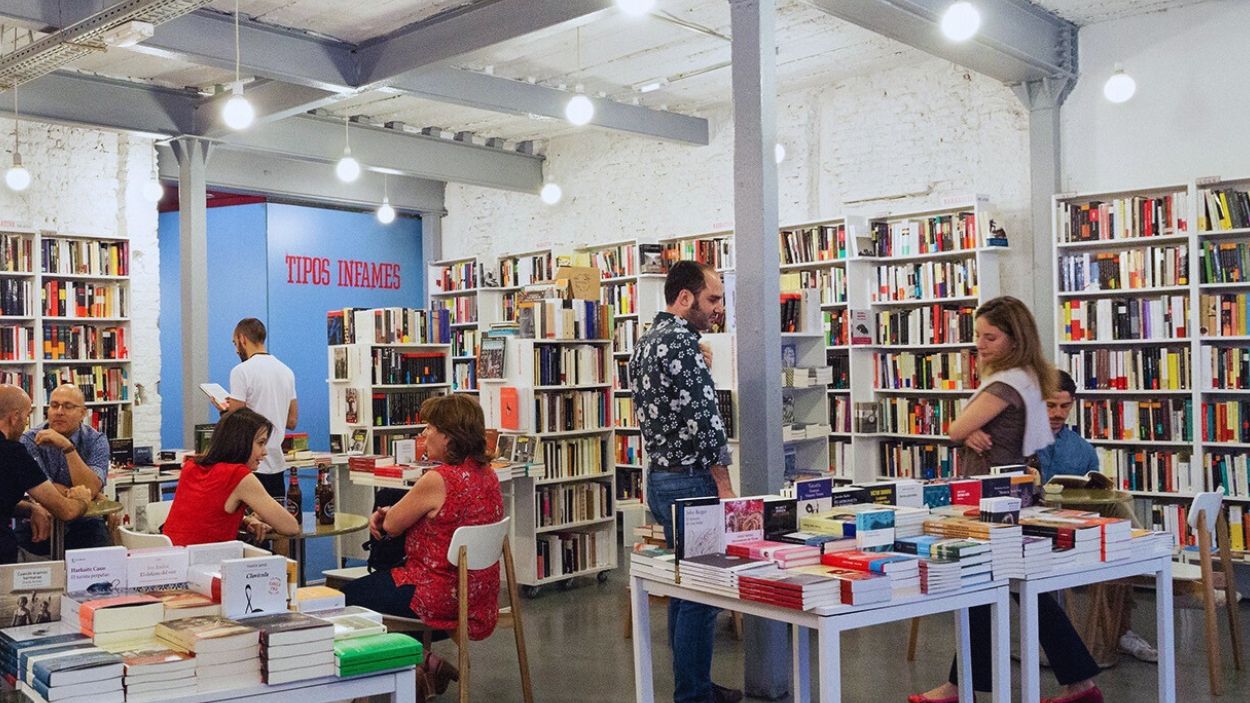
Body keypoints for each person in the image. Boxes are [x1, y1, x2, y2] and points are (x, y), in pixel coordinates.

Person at [911, 297, 1102, 703]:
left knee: (988, 587)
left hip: (991, 499)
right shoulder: (1030, 377)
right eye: (978, 335)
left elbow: (953, 429)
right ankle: (1073, 682)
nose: (979, 344)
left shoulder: (1005, 383)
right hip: (1008, 495)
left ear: (1015, 339)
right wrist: (971, 433)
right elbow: (991, 432)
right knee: (1001, 589)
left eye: (990, 337)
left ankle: (1073, 682)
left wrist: (965, 431)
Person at [628, 260, 740, 703]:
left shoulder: (646, 342)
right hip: (692, 482)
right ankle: (693, 693)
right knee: (700, 591)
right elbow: (705, 421)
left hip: (660, 477)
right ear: (685, 297)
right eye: (712, 299)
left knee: (683, 585)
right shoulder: (681, 344)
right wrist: (725, 485)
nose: (718, 309)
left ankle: (695, 683)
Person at [341, 394, 503, 700]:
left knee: (344, 599)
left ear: (449, 436)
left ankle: (410, 666)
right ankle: (424, 664)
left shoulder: (439, 479)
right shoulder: (488, 475)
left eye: (429, 427)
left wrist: (385, 514)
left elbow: (391, 526)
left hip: (436, 596)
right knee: (384, 589)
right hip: (477, 597)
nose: (423, 434)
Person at [1037, 370, 1158, 663]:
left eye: (1065, 406)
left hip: (1075, 524)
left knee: (1116, 516)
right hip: (1034, 526)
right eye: (1050, 405)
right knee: (1119, 537)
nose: (1057, 413)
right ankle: (1148, 554)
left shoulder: (1082, 449)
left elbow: (1094, 496)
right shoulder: (1019, 440)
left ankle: (1141, 554)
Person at [162, 408, 300, 546]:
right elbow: (290, 527)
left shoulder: (190, 467)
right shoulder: (238, 475)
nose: (264, 452)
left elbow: (203, 517)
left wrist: (245, 520)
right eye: (260, 443)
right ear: (241, 442)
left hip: (170, 555)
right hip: (209, 557)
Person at [0, 385, 94, 564]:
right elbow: (66, 511)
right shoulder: (13, 452)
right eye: (26, 417)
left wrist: (32, 508)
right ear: (15, 417)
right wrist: (82, 499)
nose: (25, 424)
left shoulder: (95, 439)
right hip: (4, 559)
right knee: (62, 570)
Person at [17, 384, 112, 554]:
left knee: (104, 561)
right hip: (43, 517)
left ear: (83, 413)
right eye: (54, 405)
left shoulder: (96, 440)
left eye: (68, 406)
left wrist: (67, 447)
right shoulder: (30, 439)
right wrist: (91, 495)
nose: (59, 412)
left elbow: (89, 488)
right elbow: (43, 490)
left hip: (85, 521)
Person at [220, 318, 298, 499]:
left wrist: (224, 409)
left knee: (249, 517)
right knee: (275, 515)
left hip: (250, 466)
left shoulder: (241, 371)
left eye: (235, 343)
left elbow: (236, 421)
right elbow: (292, 421)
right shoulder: (286, 371)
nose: (236, 350)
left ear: (242, 338)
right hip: (277, 466)